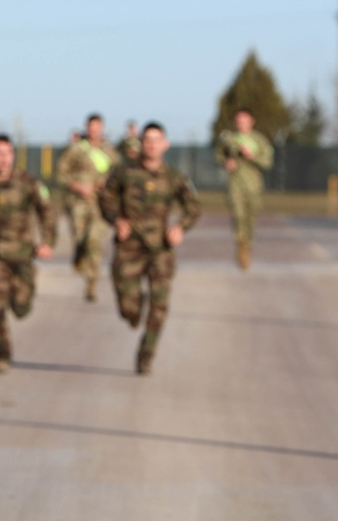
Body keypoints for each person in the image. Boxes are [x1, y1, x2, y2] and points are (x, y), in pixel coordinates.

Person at [99, 121, 201, 375]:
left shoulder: (174, 177)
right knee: (129, 309)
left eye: (157, 140)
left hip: (160, 249)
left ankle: (146, 355)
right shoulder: (124, 172)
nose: (152, 145)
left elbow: (193, 207)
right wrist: (116, 220)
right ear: (141, 144)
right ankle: (133, 309)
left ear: (165, 145)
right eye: (148, 140)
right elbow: (106, 199)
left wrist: (180, 228)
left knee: (160, 306)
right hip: (129, 247)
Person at [0, 134, 56, 373]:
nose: (3, 159)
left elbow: (46, 210)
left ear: (12, 155)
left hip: (25, 255)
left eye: (7, 153)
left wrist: (47, 241)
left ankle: (24, 298)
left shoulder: (27, 182)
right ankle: (2, 355)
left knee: (21, 307)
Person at [56, 113, 119, 301]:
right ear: (86, 127)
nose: (94, 131)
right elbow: (61, 173)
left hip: (100, 204)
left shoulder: (110, 152)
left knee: (93, 240)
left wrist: (106, 183)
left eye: (98, 127)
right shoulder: (77, 149)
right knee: (80, 238)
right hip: (78, 204)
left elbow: (119, 174)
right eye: (91, 127)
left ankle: (91, 284)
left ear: (102, 128)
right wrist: (76, 186)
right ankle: (78, 255)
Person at [214, 108, 274, 270]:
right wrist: (226, 162)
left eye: (244, 120)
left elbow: (268, 162)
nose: (241, 123)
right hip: (235, 183)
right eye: (238, 120)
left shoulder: (259, 140)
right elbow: (218, 155)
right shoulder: (229, 139)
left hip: (253, 184)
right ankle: (241, 245)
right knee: (238, 214)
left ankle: (248, 244)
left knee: (251, 216)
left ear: (251, 121)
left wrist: (252, 157)